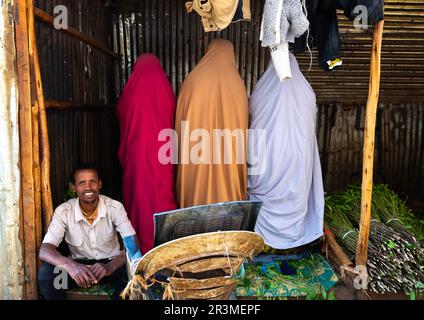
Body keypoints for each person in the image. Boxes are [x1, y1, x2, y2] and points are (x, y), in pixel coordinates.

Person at [248, 53, 325, 250]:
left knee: (264, 191)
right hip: (299, 156)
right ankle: (291, 239)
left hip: (268, 157)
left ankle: (261, 240)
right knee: (295, 190)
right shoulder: (306, 91)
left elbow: (253, 118)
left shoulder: (262, 91)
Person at [38, 164, 139, 300]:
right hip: (79, 267)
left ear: (99, 184)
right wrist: (71, 266)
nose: (88, 187)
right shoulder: (64, 211)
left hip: (110, 267)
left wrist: (110, 266)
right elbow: (45, 250)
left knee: (133, 275)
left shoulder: (114, 207)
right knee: (48, 275)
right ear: (74, 187)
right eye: (82, 183)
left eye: (92, 181)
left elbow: (132, 245)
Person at [175, 39, 249, 208]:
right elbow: (242, 131)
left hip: (194, 159)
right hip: (229, 166)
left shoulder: (191, 81)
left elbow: (181, 125)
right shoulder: (237, 85)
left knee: (196, 197)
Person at [117, 53, 177, 255]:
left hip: (136, 161)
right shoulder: (166, 90)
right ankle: (164, 249)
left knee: (138, 202)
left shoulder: (130, 92)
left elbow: (120, 116)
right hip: (163, 159)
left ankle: (139, 252)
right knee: (162, 198)